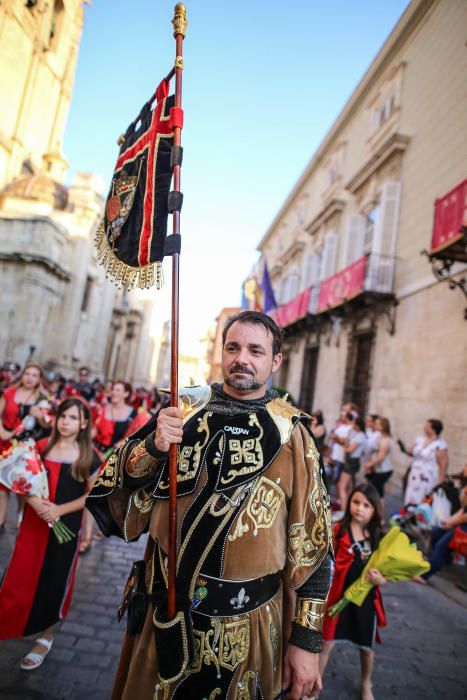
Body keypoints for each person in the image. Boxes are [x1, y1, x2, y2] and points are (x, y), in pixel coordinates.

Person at [87, 310, 332, 700]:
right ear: (222, 352)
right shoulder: (183, 409)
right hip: (167, 614)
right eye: (233, 347)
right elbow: (116, 482)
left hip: (249, 626)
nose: (242, 358)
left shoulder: (294, 435)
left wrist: (306, 641)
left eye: (255, 350)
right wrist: (152, 446)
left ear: (275, 361)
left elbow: (316, 548)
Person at [0, 398, 100, 669]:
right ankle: (8, 621)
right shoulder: (42, 447)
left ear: (83, 423)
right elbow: (20, 477)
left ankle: (46, 635)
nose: (65, 422)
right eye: (62, 416)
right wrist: (36, 504)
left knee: (56, 579)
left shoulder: (89, 457)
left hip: (64, 527)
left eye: (72, 418)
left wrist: (59, 510)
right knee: (20, 573)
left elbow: (93, 496)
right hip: (34, 523)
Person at [316, 484, 387, 700]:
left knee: (366, 646)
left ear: (375, 509)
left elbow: (387, 572)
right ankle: (313, 685)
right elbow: (325, 559)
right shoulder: (339, 529)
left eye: (366, 505)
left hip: (365, 599)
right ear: (349, 503)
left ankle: (366, 684)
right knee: (327, 642)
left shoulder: (377, 537)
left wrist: (380, 579)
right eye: (356, 502)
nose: (360, 509)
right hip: (338, 595)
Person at [0, 363, 48, 531]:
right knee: (1, 486)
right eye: (27, 373)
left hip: (25, 447)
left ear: (39, 379)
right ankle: (1, 521)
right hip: (4, 443)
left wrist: (40, 417)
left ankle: (21, 517)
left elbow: (47, 425)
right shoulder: (9, 393)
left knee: (22, 486)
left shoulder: (42, 399)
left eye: (34, 375)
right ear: (22, 375)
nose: (29, 378)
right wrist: (3, 432)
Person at [414, 485, 467, 584]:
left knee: (441, 546)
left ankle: (424, 575)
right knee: (436, 532)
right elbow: (463, 509)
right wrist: (448, 522)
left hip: (463, 530)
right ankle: (439, 562)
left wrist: (451, 523)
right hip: (460, 526)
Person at [402, 419, 449, 508]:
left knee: (423, 500)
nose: (424, 427)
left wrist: (440, 483)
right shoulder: (420, 439)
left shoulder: (440, 445)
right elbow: (410, 452)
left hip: (428, 477)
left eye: (427, 426)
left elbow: (443, 465)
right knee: (411, 498)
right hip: (415, 474)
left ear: (433, 429)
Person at [337, 415, 367, 514]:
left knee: (342, 486)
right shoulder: (357, 434)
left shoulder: (360, 436)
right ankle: (349, 509)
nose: (352, 425)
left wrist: (345, 445)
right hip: (352, 461)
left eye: (354, 423)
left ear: (357, 425)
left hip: (351, 462)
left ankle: (343, 511)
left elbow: (349, 450)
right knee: (349, 487)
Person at [364, 417, 393, 506]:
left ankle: (378, 515)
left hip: (383, 470)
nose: (375, 425)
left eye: (377, 424)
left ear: (382, 426)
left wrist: (369, 465)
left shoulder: (385, 440)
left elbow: (381, 457)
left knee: (376, 492)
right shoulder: (379, 437)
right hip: (377, 469)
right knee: (378, 492)